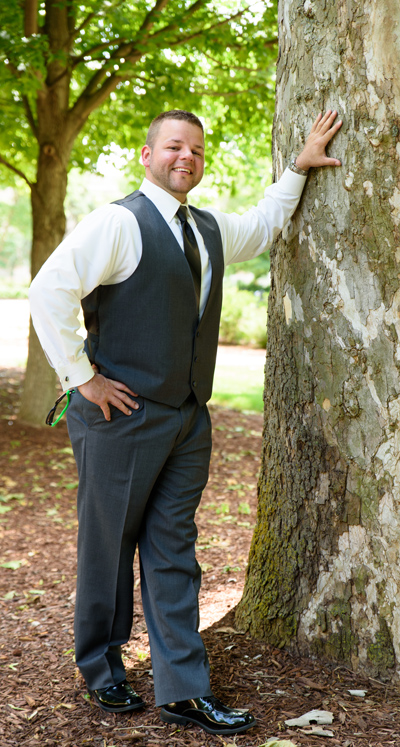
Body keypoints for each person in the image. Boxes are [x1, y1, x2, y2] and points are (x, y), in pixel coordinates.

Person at [28, 109, 343, 735]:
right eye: (174, 147)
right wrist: (81, 378)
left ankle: (182, 689)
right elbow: (49, 289)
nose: (186, 157)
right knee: (109, 545)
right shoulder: (119, 221)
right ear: (146, 156)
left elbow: (262, 223)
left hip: (186, 421)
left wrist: (299, 169)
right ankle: (101, 669)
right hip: (118, 417)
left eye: (196, 150)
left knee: (174, 549)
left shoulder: (205, 228)